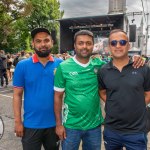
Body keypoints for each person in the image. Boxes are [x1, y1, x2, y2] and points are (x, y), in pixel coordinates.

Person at [54, 30, 145, 150]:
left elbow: (119, 62)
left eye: (88, 43)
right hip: (71, 126)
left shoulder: (100, 66)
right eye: (81, 43)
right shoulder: (63, 67)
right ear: (75, 45)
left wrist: (137, 58)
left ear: (93, 46)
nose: (85, 46)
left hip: (94, 127)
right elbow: (57, 97)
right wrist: (59, 125)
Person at [97, 29, 150, 150]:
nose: (118, 46)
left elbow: (148, 93)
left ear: (128, 45)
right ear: (109, 47)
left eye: (122, 42)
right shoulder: (103, 71)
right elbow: (102, 91)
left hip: (136, 132)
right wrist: (115, 102)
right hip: (111, 131)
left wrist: (137, 104)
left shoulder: (142, 68)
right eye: (114, 43)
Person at [13, 27, 63, 150]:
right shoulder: (22, 65)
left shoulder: (61, 64)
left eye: (46, 40)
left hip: (54, 125)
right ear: (33, 44)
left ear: (52, 42)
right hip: (31, 125)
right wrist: (18, 122)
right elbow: (17, 95)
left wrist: (61, 124)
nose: (43, 44)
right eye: (38, 41)